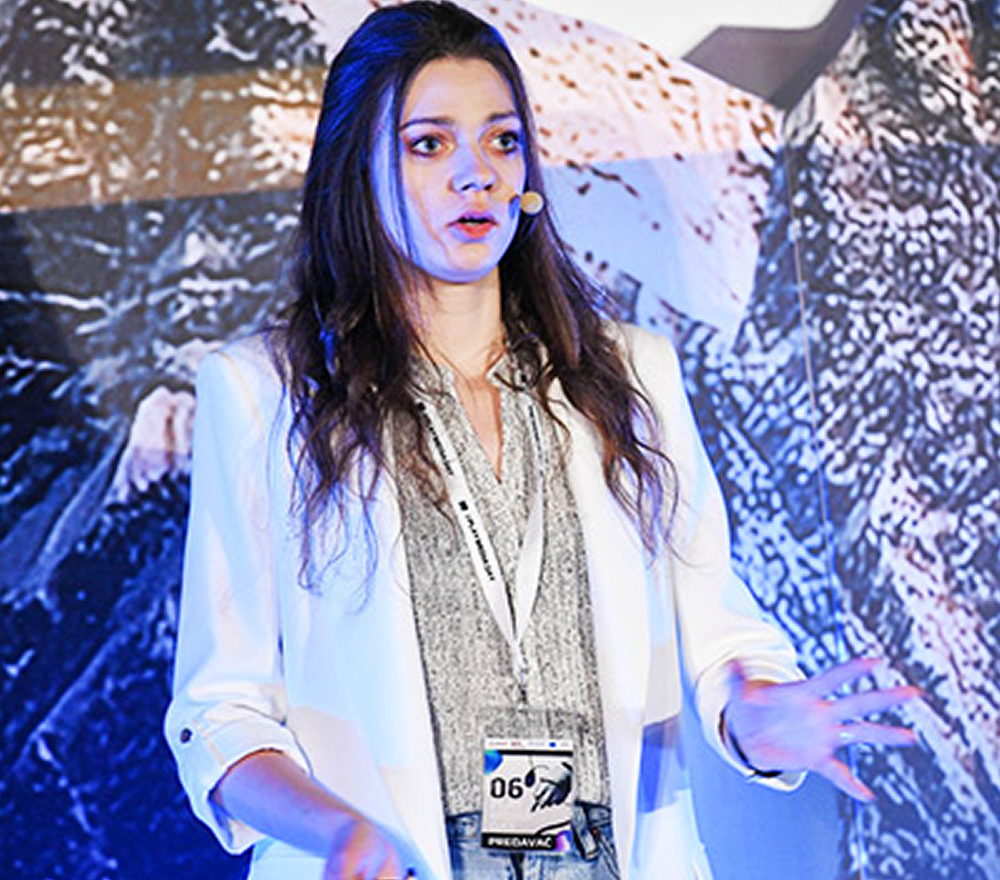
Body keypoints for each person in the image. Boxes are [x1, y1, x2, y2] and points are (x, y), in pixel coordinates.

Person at [163, 3, 920, 879]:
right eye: (428, 144)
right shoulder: (264, 394)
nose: (476, 175)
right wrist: (340, 832)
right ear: (355, 169)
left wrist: (755, 716)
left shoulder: (630, 376)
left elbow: (725, 634)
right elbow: (220, 712)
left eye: (503, 141)